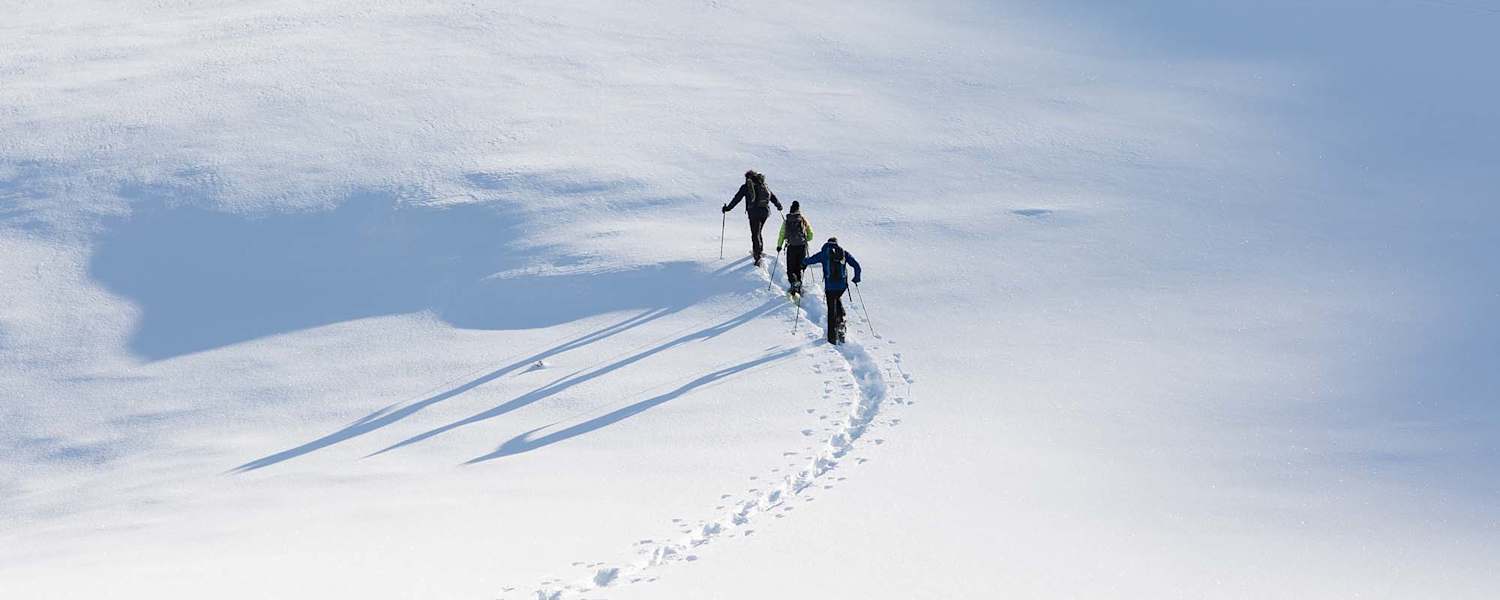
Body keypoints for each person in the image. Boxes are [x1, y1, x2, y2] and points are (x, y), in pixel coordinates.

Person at [802, 236, 862, 344]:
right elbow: (857, 265)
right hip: (842, 286)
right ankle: (841, 321)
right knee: (837, 298)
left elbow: (810, 260)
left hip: (830, 287)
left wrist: (803, 262)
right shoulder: (843, 253)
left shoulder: (824, 253)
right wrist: (856, 278)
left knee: (831, 311)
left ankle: (832, 338)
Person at [722, 170, 783, 266]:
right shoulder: (763, 185)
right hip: (765, 212)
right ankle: (759, 250)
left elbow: (737, 198)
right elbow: (772, 196)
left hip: (754, 213)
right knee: (758, 232)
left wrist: (728, 208)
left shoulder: (746, 187)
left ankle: (757, 256)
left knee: (755, 234)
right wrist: (778, 205)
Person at [775, 201, 814, 295]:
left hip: (791, 247)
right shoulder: (803, 219)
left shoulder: (787, 220)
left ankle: (793, 284)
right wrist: (805, 239)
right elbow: (811, 235)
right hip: (802, 247)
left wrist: (779, 246)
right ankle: (799, 285)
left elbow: (782, 234)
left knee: (790, 268)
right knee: (799, 267)